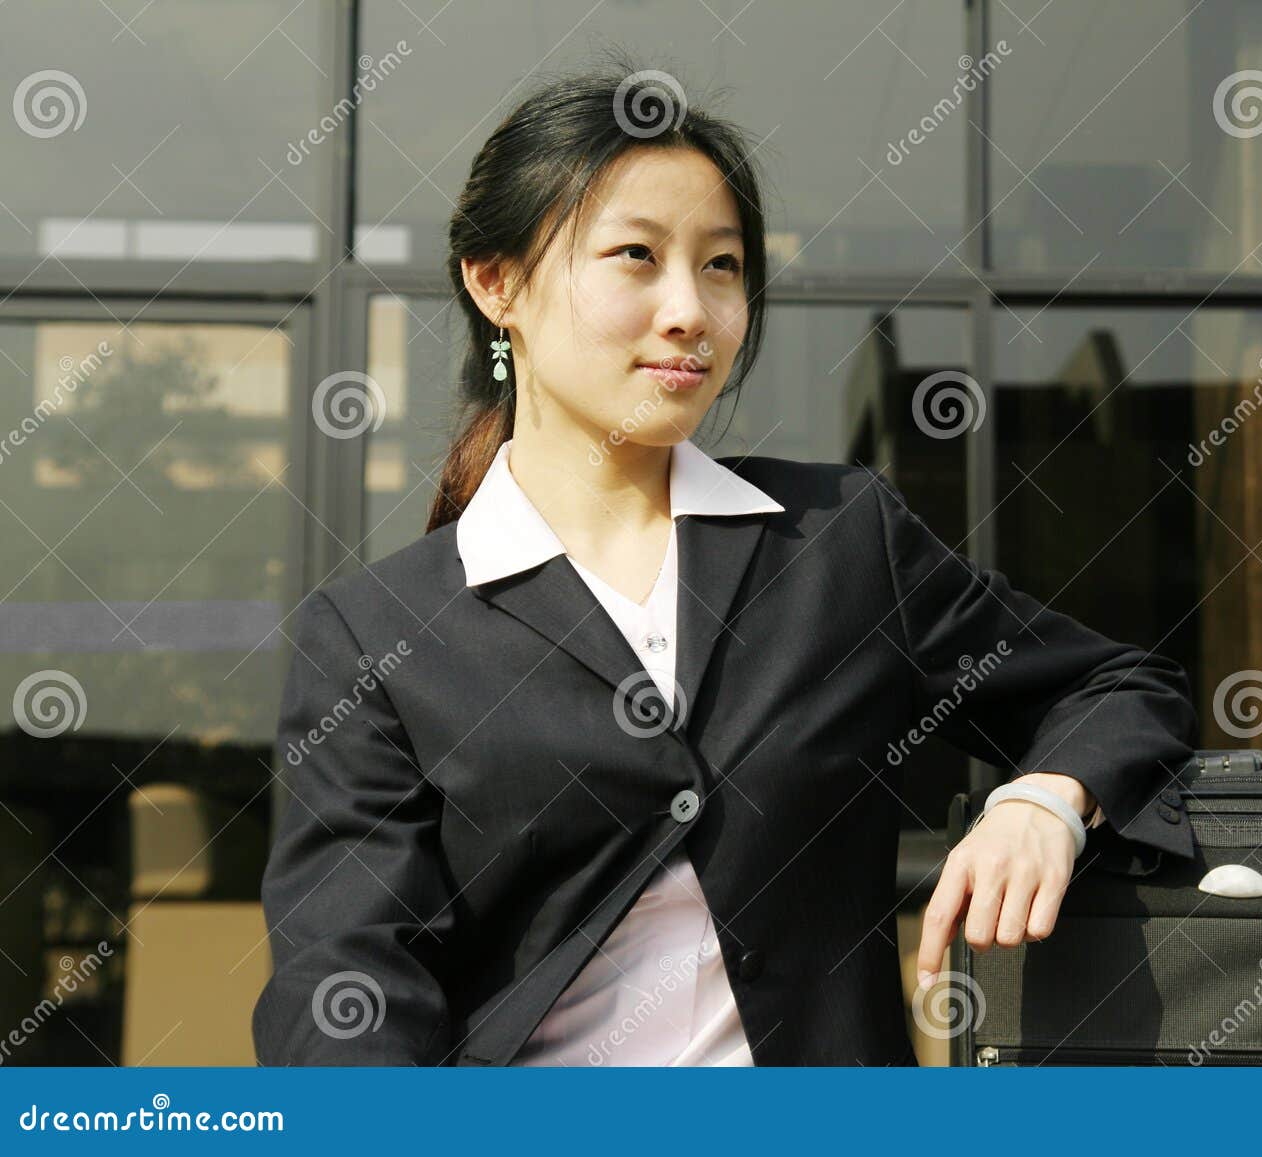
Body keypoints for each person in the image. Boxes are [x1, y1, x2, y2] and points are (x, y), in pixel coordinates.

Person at [252, 59, 1199, 1068]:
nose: (690, 312)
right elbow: (344, 993)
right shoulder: (377, 634)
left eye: (721, 264)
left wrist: (1042, 799)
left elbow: (1115, 683)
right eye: (634, 256)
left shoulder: (835, 542)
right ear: (498, 284)